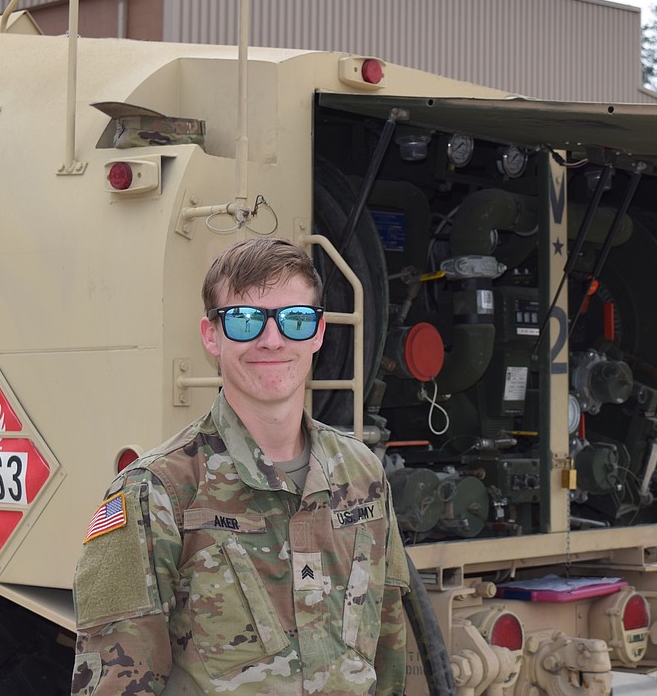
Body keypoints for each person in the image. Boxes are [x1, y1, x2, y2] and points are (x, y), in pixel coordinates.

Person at [70, 237, 410, 695]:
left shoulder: (362, 476)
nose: (272, 340)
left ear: (318, 332)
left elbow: (389, 655)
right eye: (246, 320)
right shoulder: (158, 493)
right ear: (212, 335)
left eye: (294, 319)